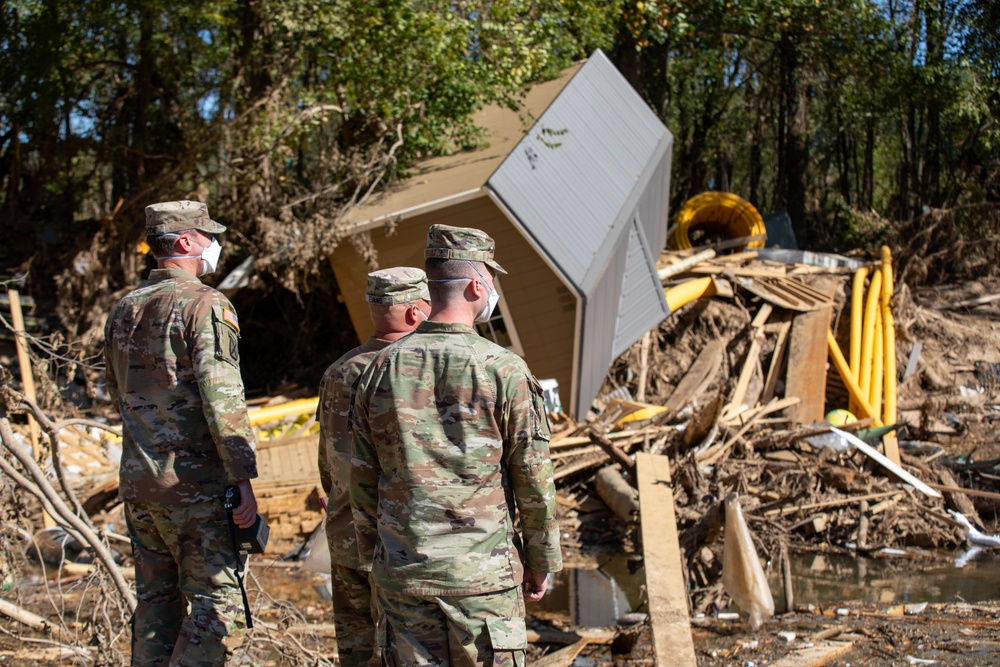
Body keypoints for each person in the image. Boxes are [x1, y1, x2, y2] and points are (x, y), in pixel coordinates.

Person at [349, 224, 562, 667]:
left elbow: (362, 478)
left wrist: (380, 554)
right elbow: (534, 479)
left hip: (405, 577)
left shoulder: (379, 369)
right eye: (492, 279)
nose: (492, 290)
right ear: (474, 285)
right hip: (482, 582)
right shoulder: (505, 370)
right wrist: (541, 558)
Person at [104, 200, 259, 666]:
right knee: (220, 613)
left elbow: (119, 393)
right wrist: (242, 478)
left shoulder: (123, 309)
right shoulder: (205, 304)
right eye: (208, 236)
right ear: (187, 242)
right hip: (198, 490)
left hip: (140, 484)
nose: (214, 245)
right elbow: (222, 399)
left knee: (157, 606)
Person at [317, 267, 431, 667]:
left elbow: (327, 466)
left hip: (347, 535)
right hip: (401, 546)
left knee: (357, 651)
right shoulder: (420, 371)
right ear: (416, 313)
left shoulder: (338, 373)